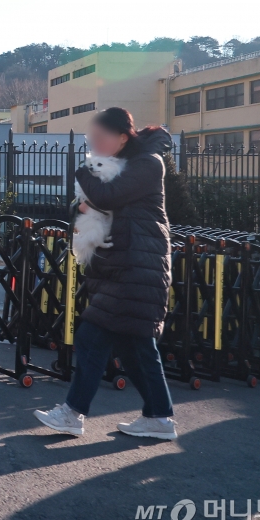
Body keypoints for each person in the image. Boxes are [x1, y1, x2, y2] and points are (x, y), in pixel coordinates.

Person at [34, 108, 178, 440]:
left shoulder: (147, 164)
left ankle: (73, 413)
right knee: (136, 349)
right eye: (92, 138)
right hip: (125, 265)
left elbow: (104, 196)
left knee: (92, 336)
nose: (94, 144)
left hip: (138, 266)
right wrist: (82, 204)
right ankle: (159, 418)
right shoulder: (131, 164)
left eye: (101, 138)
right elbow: (83, 204)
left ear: (123, 138)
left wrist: (82, 173)